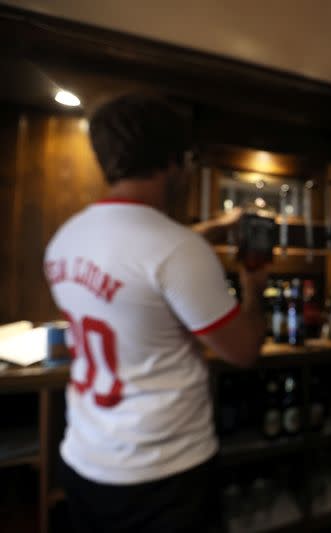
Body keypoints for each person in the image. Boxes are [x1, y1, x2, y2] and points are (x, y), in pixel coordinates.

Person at [43, 94, 267, 532]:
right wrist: (253, 290)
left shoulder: (65, 238)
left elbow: (141, 258)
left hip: (86, 459)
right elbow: (243, 351)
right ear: (173, 162)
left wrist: (211, 230)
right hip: (163, 473)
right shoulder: (178, 249)